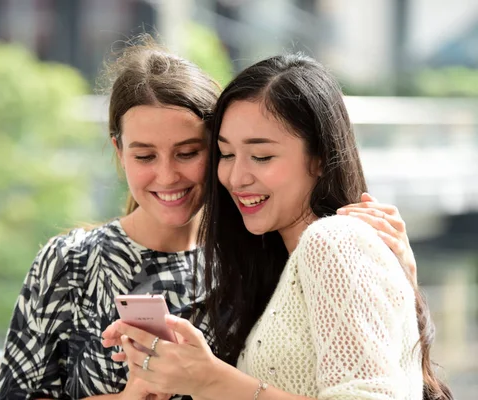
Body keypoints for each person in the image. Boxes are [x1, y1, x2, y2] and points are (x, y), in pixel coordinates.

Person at [0, 37, 419, 400]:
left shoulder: (258, 250)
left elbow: (369, 360)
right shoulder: (73, 261)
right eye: (144, 155)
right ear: (118, 151)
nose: (167, 175)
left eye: (189, 152)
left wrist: (399, 275)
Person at [102, 54, 452, 400]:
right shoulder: (279, 259)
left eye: (262, 156)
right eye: (225, 154)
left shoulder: (332, 241)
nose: (236, 177)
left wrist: (212, 380)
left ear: (319, 157)